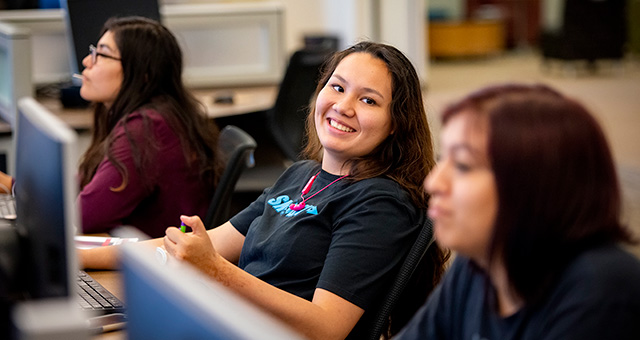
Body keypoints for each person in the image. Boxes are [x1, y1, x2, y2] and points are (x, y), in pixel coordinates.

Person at [80, 41, 450, 340]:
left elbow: (325, 327)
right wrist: (75, 258)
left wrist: (215, 271)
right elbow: (203, 242)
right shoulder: (302, 174)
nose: (343, 106)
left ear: (395, 125)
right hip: (228, 320)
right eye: (336, 87)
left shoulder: (381, 204)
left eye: (368, 100)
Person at [396, 83, 640, 339]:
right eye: (442, 159)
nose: (433, 183)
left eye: (463, 165)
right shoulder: (479, 264)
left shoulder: (601, 294)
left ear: (535, 186)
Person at [0, 17, 222, 238]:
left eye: (102, 55)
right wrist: (12, 184)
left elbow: (82, 218)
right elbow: (83, 185)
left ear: (143, 74)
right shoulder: (154, 116)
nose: (87, 61)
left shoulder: (146, 130)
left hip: (147, 263)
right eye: (93, 51)